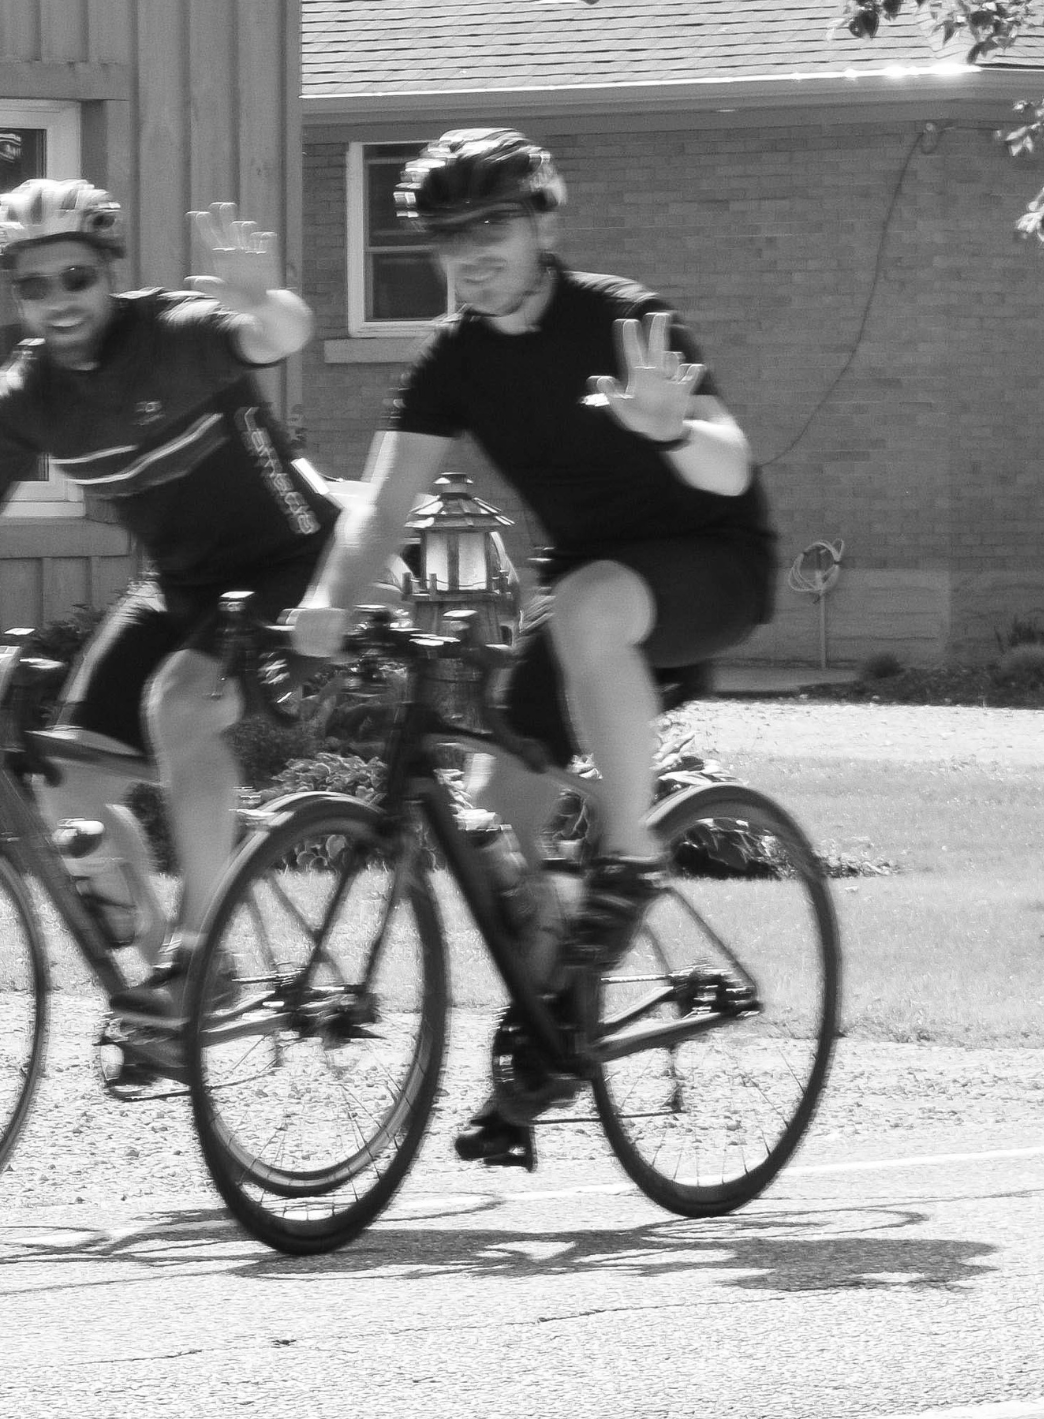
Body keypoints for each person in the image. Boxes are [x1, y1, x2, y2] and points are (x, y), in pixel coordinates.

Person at [289, 127, 776, 1166]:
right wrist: (329, 601)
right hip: (592, 589)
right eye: (450, 235)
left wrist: (668, 430)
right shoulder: (452, 362)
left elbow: (732, 468)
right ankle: (545, 1051)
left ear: (543, 222)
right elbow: (381, 507)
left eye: (494, 226)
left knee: (593, 599)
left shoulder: (622, 316)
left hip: (710, 564)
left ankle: (633, 855)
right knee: (491, 815)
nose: (473, 251)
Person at [0, 179, 327, 1083]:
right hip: (182, 585)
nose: (58, 301)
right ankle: (173, 989)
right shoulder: (29, 394)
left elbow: (276, 336)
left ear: (109, 276)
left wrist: (264, 300)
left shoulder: (171, 334)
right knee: (66, 781)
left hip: (290, 566)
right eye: (36, 285)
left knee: (178, 706)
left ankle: (199, 951)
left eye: (77, 278)